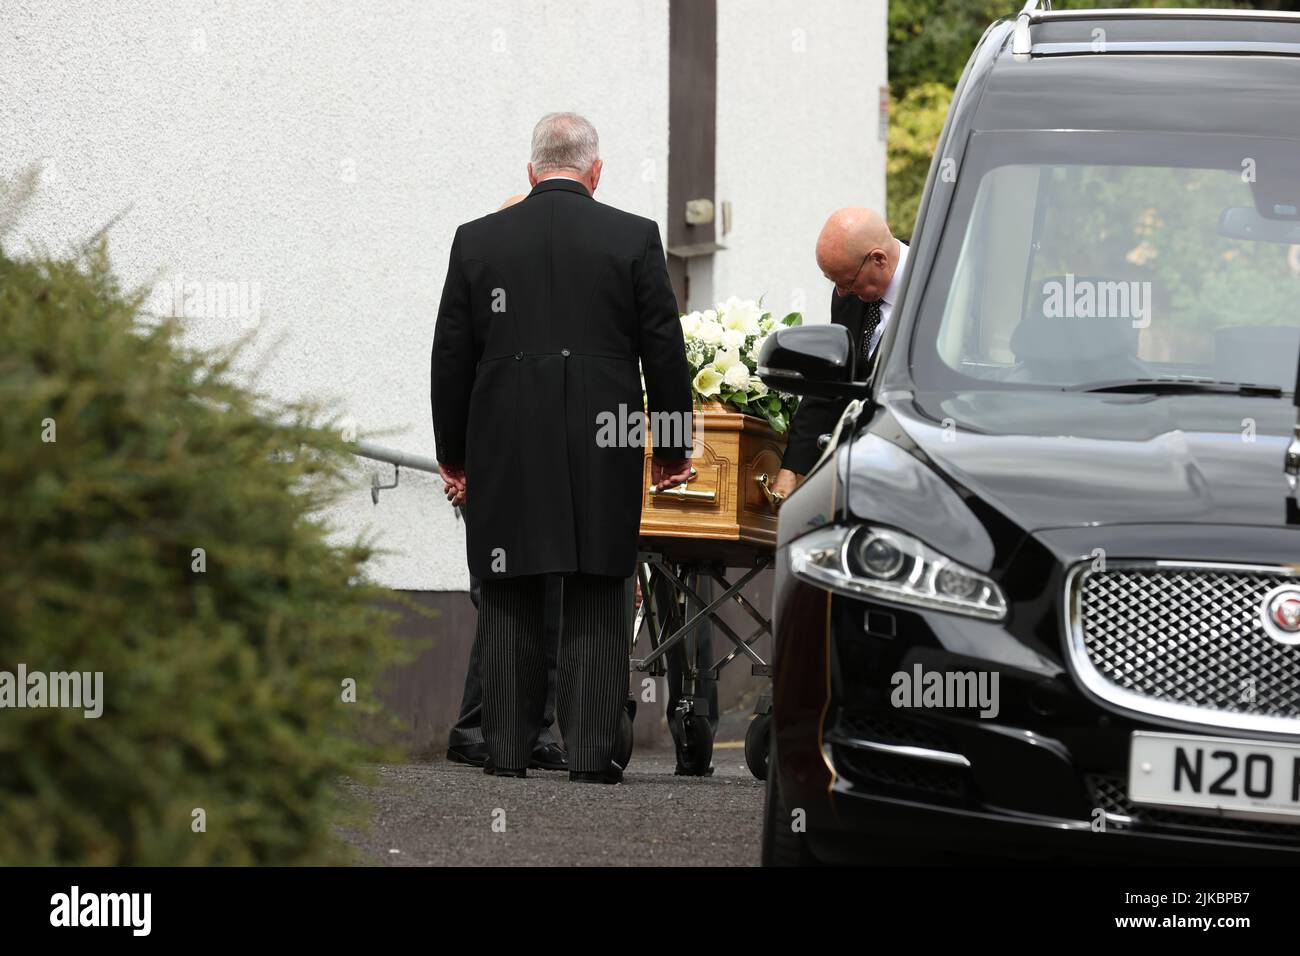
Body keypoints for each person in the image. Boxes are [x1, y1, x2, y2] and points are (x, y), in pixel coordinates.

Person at [431, 112, 693, 784]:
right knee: (598, 590)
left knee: (510, 589)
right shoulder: (632, 237)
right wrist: (670, 444)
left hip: (504, 439)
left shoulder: (477, 239)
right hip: (603, 438)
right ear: (595, 171)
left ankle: (507, 754)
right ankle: (591, 755)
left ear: (530, 170)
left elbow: (451, 356)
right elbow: (663, 348)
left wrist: (454, 451)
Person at [443, 193, 565, 774]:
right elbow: (457, 372)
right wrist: (462, 465)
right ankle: (480, 728)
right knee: (504, 600)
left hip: (529, 468)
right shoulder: (491, 284)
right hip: (498, 469)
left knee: (539, 601)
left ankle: (521, 728)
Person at [768, 207, 909, 499]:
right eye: (834, 283)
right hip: (855, 474)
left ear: (878, 259)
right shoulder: (850, 297)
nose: (841, 292)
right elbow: (830, 378)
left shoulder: (943, 283)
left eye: (846, 281)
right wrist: (793, 466)